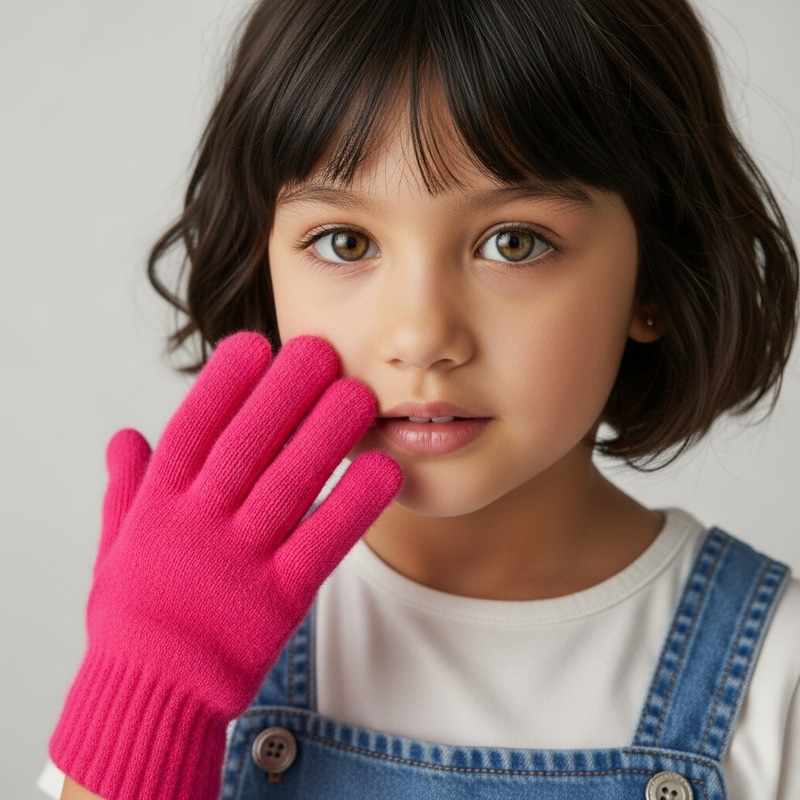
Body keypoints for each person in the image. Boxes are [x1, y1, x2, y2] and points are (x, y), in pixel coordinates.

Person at [43, 0, 799, 798]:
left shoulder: (773, 675)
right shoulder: (187, 623)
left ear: (657, 278)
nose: (421, 335)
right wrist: (150, 686)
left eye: (513, 242)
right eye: (346, 242)